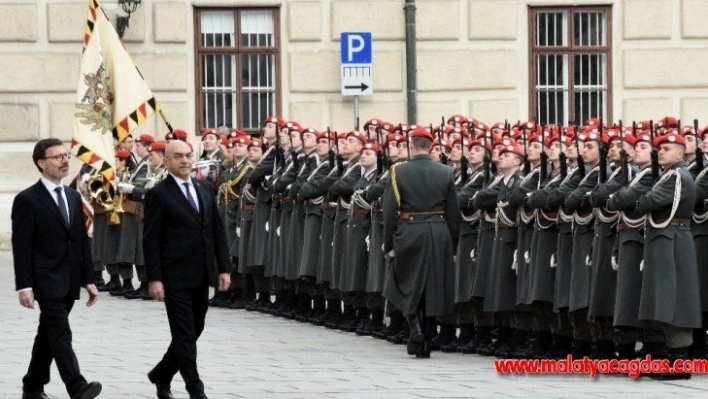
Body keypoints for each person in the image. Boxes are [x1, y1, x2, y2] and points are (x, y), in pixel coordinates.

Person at [12, 138, 102, 399]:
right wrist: (25, 286)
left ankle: (32, 386)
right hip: (45, 279)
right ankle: (77, 386)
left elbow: (81, 242)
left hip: (70, 278)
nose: (65, 161)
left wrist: (90, 279)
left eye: (66, 155)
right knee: (61, 332)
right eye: (57, 157)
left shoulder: (74, 197)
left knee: (47, 334)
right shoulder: (27, 200)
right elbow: (22, 247)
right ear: (42, 163)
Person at [143, 140, 232, 399]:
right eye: (178, 156)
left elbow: (216, 230)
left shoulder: (204, 188)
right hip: (174, 275)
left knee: (195, 329)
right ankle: (196, 390)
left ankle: (162, 372)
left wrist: (224, 268)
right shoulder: (158, 194)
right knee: (183, 334)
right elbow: (151, 240)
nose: (184, 161)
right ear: (168, 161)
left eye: (188, 155)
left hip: (202, 273)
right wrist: (155, 278)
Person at [382, 126, 460, 358]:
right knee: (432, 286)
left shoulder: (398, 171)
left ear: (411, 146)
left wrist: (389, 243)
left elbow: (389, 212)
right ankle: (426, 342)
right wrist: (452, 244)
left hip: (409, 230)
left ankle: (414, 326)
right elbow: (453, 213)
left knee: (405, 283)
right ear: (431, 147)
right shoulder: (446, 172)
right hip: (438, 231)